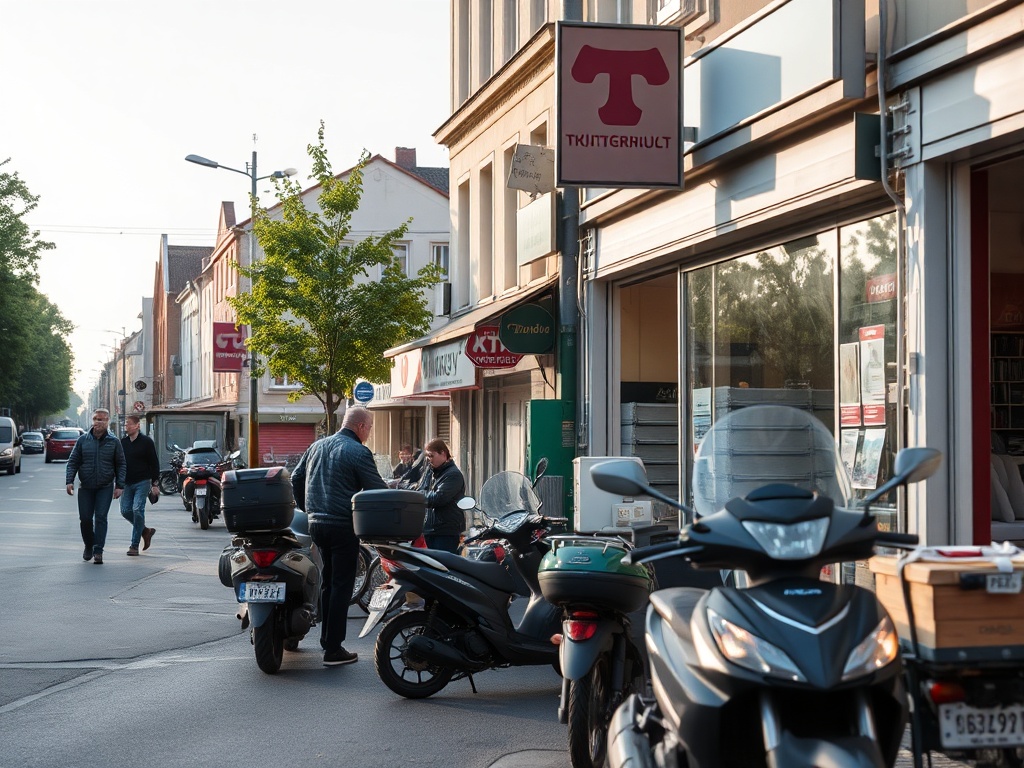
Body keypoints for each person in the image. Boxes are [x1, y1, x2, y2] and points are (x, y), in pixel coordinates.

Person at [290, 405, 386, 666]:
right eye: (370, 428)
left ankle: (326, 640)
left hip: (317, 525)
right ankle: (333, 649)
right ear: (362, 426)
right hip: (343, 525)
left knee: (328, 581)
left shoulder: (317, 446)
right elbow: (377, 490)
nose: (369, 433)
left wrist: (308, 508)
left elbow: (296, 478)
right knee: (342, 585)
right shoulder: (358, 452)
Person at [66, 408, 126, 565]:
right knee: (85, 519)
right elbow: (73, 461)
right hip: (85, 486)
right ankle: (88, 545)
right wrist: (69, 481)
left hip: (105, 486)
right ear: (92, 420)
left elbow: (121, 464)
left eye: (102, 419)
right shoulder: (83, 441)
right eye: (96, 419)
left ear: (107, 422)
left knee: (100, 517)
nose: (98, 422)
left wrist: (119, 485)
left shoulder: (114, 442)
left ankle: (98, 550)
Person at [119, 414, 159, 556]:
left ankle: (134, 546)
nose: (126, 426)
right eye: (125, 424)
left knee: (137, 510)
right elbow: (118, 464)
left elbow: (154, 463)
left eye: (129, 424)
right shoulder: (122, 443)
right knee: (125, 511)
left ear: (137, 426)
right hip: (126, 483)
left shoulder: (146, 442)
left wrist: (155, 484)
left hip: (143, 481)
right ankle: (145, 531)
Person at [420, 438, 466, 554]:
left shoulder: (453, 475)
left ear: (443, 453)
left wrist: (418, 495)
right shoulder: (431, 471)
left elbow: (438, 498)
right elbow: (421, 489)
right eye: (427, 456)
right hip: (430, 529)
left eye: (431, 456)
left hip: (445, 531)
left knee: (443, 566)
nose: (429, 459)